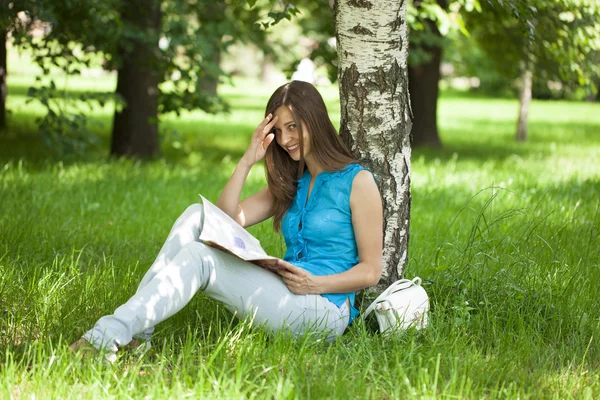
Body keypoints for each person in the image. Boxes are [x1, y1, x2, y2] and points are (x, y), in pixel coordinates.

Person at [69, 81, 383, 361]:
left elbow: (371, 271)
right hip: (285, 293)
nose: (286, 139)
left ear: (314, 122)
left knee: (200, 258)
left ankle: (105, 338)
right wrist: (248, 160)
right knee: (197, 214)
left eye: (294, 127)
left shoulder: (358, 182)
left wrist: (317, 283)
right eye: (280, 131)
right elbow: (222, 220)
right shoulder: (291, 184)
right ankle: (138, 335)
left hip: (325, 310)